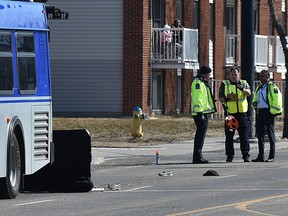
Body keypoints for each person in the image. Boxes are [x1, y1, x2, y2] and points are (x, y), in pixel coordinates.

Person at [219, 67, 251, 162]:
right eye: (232, 74)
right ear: (229, 75)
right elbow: (220, 98)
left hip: (242, 114)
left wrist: (242, 89)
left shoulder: (243, 83)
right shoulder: (225, 84)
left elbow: (249, 93)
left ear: (239, 74)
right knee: (229, 136)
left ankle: (246, 155)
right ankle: (229, 156)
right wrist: (226, 99)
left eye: (236, 74)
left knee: (244, 136)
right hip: (230, 114)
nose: (234, 76)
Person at [251, 70, 282, 162]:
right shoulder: (259, 87)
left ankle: (271, 156)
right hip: (260, 112)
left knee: (270, 134)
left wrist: (273, 111)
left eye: (261, 76)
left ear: (267, 77)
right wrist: (254, 104)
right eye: (260, 76)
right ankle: (261, 156)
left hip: (269, 112)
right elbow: (256, 98)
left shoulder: (272, 87)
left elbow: (277, 99)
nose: (259, 78)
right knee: (260, 134)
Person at [191, 65, 216, 164]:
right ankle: (197, 157)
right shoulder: (198, 83)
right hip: (200, 113)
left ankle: (198, 156)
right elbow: (198, 99)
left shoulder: (202, 83)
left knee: (201, 135)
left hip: (202, 112)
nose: (209, 76)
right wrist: (200, 113)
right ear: (205, 74)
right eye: (208, 74)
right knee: (200, 136)